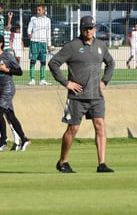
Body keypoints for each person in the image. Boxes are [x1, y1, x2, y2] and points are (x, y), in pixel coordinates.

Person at [48, 16, 115, 173]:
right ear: (81, 29)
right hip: (77, 97)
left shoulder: (101, 46)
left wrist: (105, 81)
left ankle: (102, 163)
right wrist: (66, 83)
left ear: (95, 29)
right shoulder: (72, 46)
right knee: (73, 129)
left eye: (91, 28)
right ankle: (63, 161)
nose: (89, 31)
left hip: (96, 96)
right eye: (86, 28)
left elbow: (111, 63)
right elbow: (53, 63)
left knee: (100, 125)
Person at [0, 34, 31, 152]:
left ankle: (3, 141)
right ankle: (24, 139)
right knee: (10, 116)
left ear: (0, 44)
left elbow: (19, 71)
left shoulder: (7, 56)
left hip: (7, 88)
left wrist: (6, 70)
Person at [27, 4, 52, 86]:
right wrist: (29, 33)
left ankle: (42, 79)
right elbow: (29, 28)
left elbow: (48, 32)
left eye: (39, 10)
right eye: (37, 10)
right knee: (33, 61)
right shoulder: (33, 19)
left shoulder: (47, 20)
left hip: (43, 43)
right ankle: (32, 79)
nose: (37, 11)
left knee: (43, 61)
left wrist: (49, 44)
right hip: (34, 41)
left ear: (43, 10)